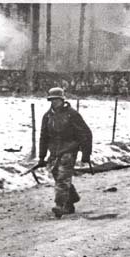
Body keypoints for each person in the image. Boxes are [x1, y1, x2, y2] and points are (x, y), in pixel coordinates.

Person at [39, 87, 93, 218]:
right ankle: (71, 200)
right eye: (52, 100)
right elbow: (43, 137)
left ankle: (60, 205)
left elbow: (86, 134)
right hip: (54, 152)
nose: (54, 102)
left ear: (63, 100)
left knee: (63, 178)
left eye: (57, 100)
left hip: (69, 150)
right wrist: (42, 156)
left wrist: (86, 154)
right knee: (57, 175)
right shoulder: (47, 116)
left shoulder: (72, 114)